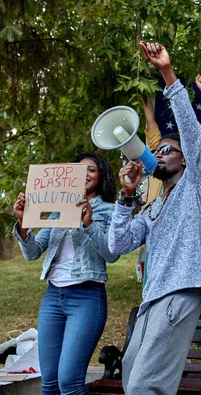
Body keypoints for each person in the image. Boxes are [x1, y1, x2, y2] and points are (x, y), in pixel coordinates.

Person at [108, 41, 201, 394]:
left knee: (145, 387)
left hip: (180, 291)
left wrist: (168, 74)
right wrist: (125, 197)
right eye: (156, 150)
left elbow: (192, 134)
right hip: (152, 298)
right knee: (130, 377)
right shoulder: (152, 206)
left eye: (167, 150)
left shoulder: (196, 184)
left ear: (184, 160)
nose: (159, 154)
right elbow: (118, 244)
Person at [12, 153, 119, 395]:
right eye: (79, 171)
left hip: (86, 297)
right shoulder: (57, 211)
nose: (84, 175)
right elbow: (33, 252)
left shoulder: (110, 211)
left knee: (69, 381)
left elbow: (112, 255)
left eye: (90, 170)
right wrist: (23, 223)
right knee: (49, 382)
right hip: (53, 298)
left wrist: (89, 223)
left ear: (100, 176)